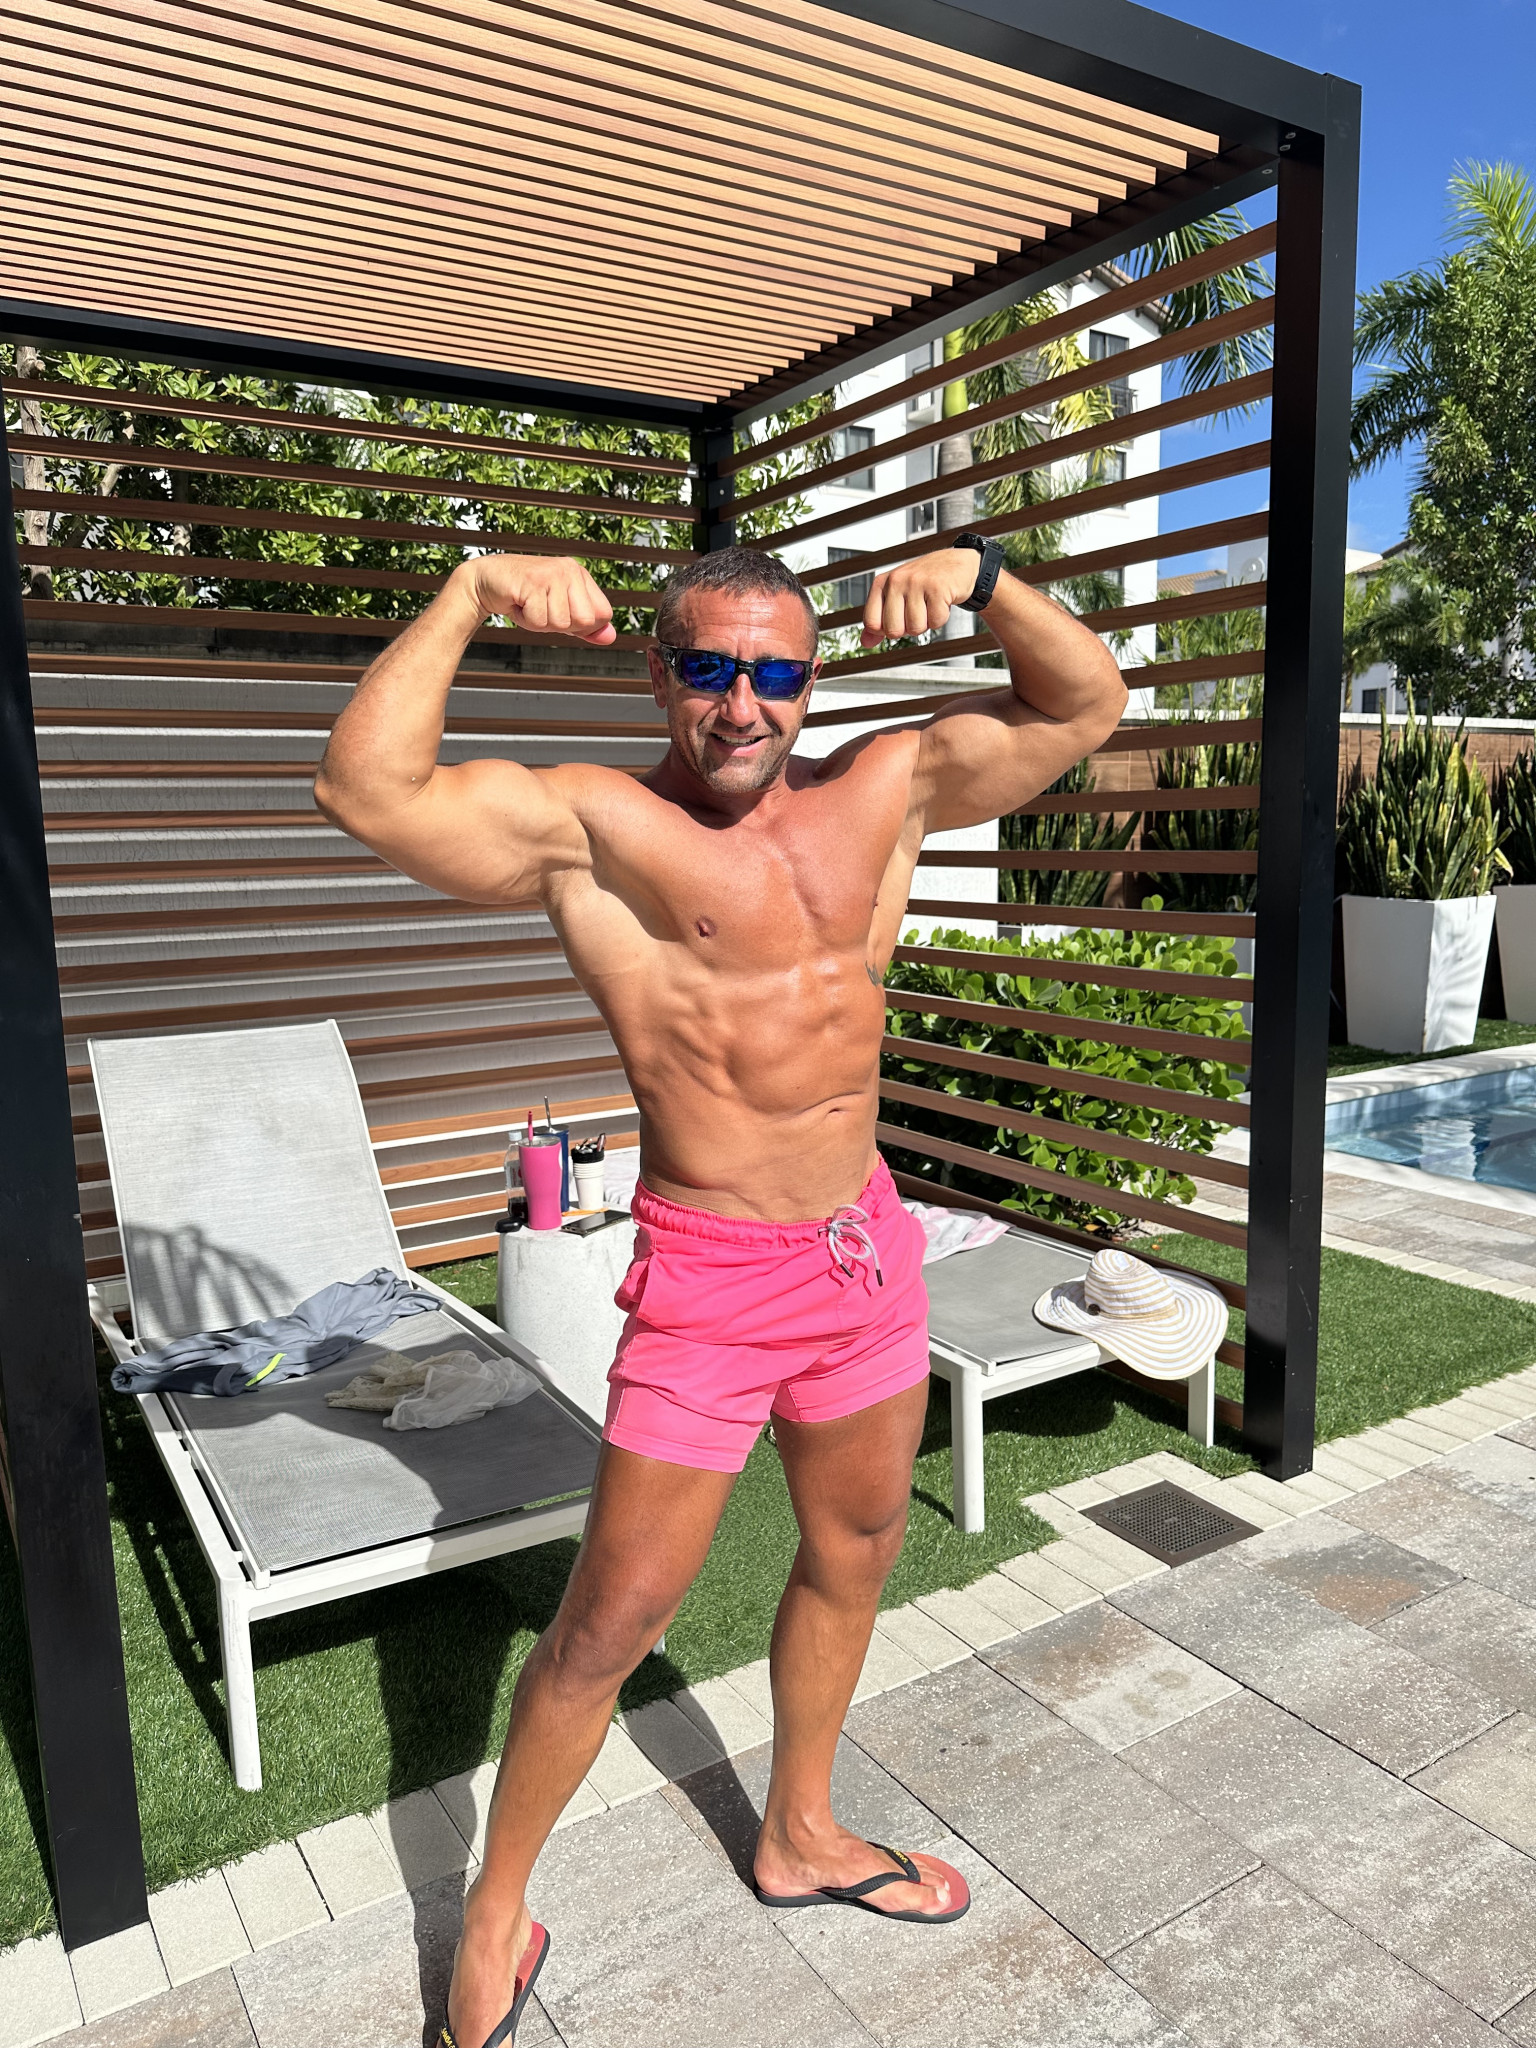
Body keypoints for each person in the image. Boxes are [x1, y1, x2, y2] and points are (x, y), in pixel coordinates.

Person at [314, 537, 1126, 2048]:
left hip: (863, 1255)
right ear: (658, 673)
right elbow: (364, 790)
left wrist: (988, 577)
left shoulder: (888, 786)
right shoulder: (593, 825)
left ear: (810, 682)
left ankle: (800, 1829)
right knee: (612, 1617)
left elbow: (1086, 704)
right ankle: (494, 1907)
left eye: (775, 673)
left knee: (858, 1546)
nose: (742, 705)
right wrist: (473, 591)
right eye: (708, 668)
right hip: (710, 1277)